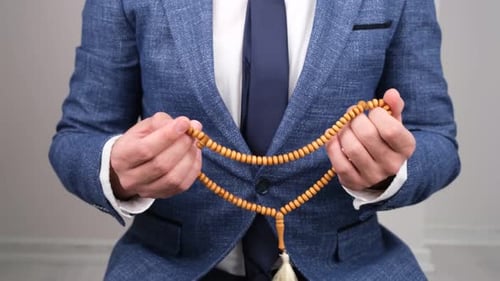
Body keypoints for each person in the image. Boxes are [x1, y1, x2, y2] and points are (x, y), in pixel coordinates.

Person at [49, 0, 460, 280]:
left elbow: (437, 140)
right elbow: (79, 137)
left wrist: (390, 172)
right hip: (169, 262)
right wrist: (117, 171)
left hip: (352, 263)